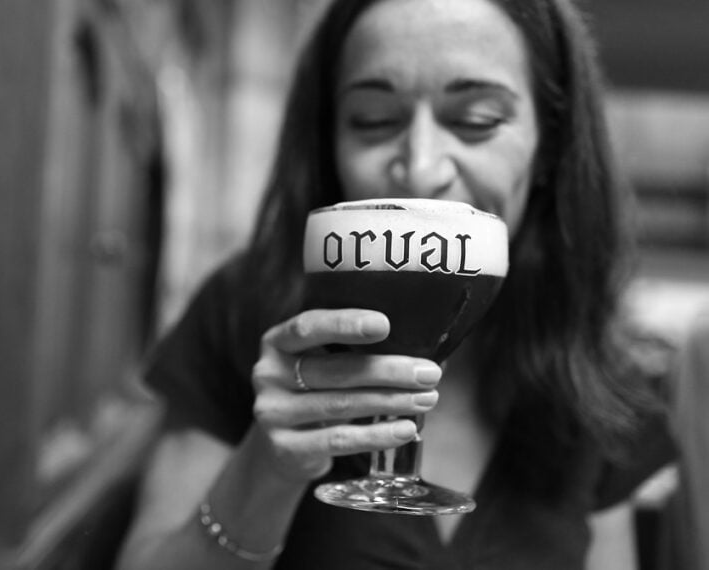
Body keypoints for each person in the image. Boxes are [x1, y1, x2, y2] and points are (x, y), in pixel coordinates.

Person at [116, 0, 678, 568]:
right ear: (328, 140)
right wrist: (269, 467)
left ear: (550, 145)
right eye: (374, 121)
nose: (421, 167)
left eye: (476, 120)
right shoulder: (243, 308)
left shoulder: (605, 369)